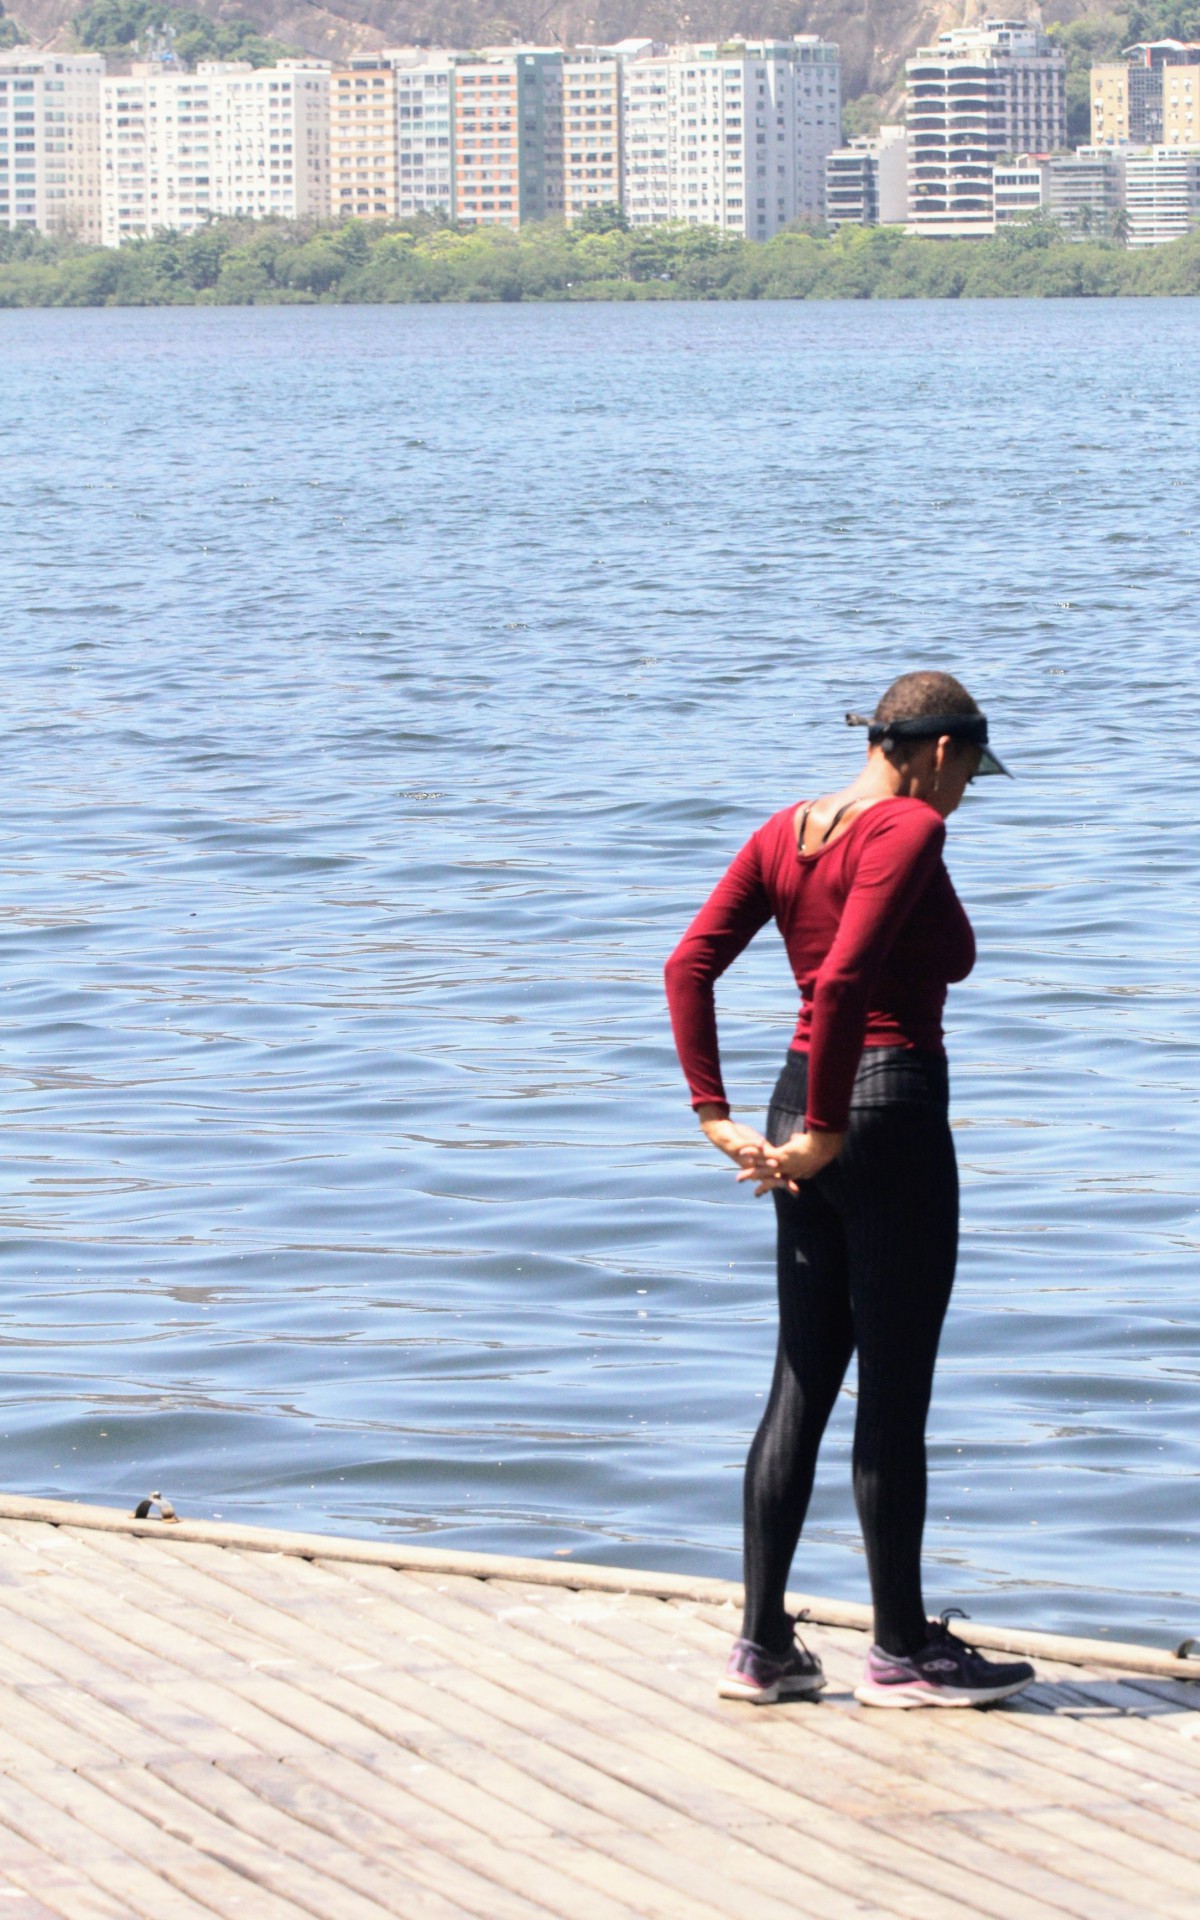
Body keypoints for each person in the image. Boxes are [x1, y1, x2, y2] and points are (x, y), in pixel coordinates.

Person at [664, 670, 1034, 1710]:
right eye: (969, 778)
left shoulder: (792, 830)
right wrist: (829, 1133)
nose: (966, 801)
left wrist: (717, 1116)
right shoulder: (911, 832)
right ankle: (904, 1651)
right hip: (883, 1108)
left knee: (801, 1377)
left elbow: (688, 966)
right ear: (944, 754)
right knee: (896, 1388)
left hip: (790, 1104)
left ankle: (763, 1645)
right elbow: (846, 983)